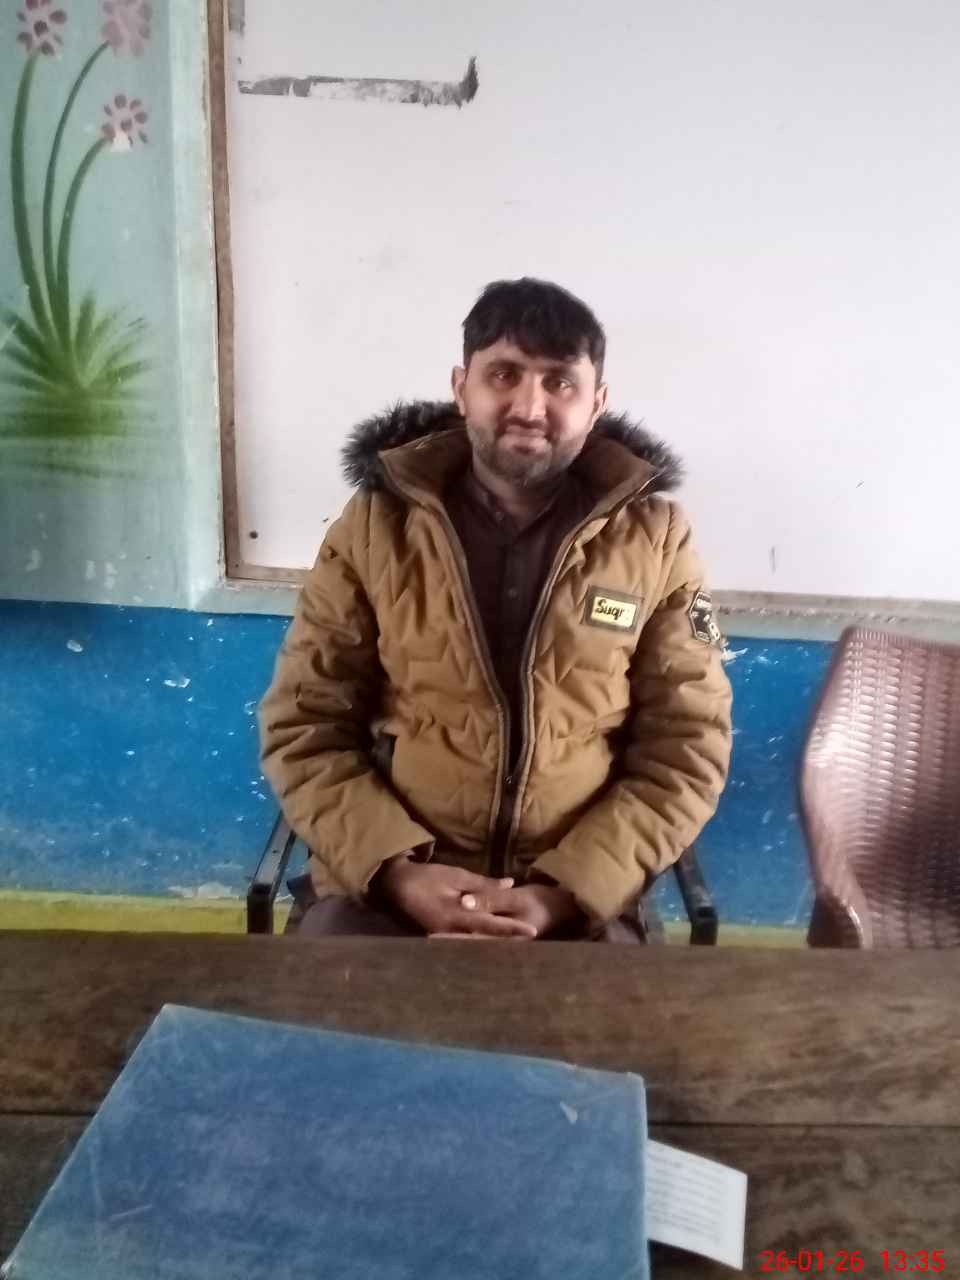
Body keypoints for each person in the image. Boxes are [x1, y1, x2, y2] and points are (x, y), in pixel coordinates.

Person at [259, 278, 732, 942]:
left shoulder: (655, 542)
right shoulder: (374, 529)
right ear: (462, 388)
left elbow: (687, 746)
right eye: (504, 375)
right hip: (387, 891)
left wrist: (565, 894)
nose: (529, 408)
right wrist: (397, 874)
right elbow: (305, 725)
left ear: (597, 403)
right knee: (327, 1003)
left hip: (576, 901)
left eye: (560, 382)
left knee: (615, 1013)